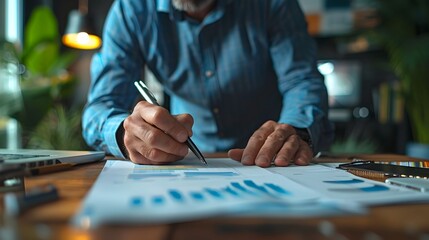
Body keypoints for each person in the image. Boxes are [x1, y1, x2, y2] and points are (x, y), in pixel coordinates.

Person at [82, 0, 334, 167]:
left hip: (271, 160)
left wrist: (295, 131)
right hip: (187, 164)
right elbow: (101, 106)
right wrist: (125, 133)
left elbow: (301, 80)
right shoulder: (131, 11)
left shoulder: (272, 4)